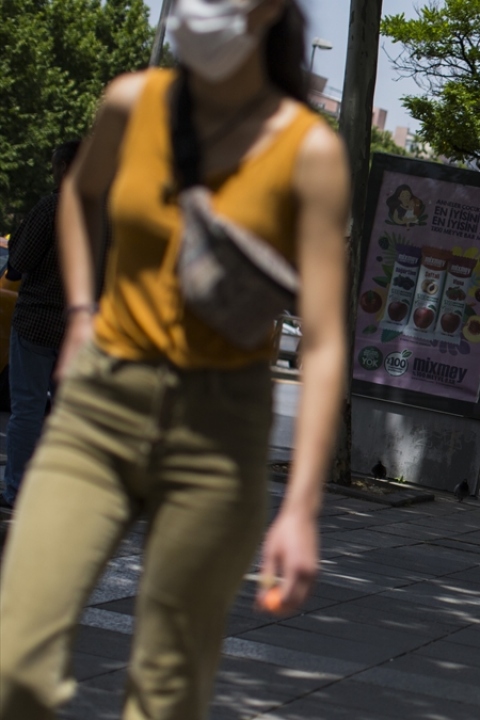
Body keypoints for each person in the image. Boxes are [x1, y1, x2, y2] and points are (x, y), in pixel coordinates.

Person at [0, 1, 350, 718]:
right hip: (100, 404)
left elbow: (322, 338)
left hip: (218, 431)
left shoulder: (308, 152)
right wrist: (78, 313)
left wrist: (302, 508)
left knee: (166, 691)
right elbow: (79, 197)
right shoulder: (134, 102)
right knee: (16, 666)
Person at [1, 140, 80, 508]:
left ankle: (16, 490)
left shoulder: (52, 207)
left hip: (37, 322)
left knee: (28, 409)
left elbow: (16, 265)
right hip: (78, 329)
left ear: (64, 167)